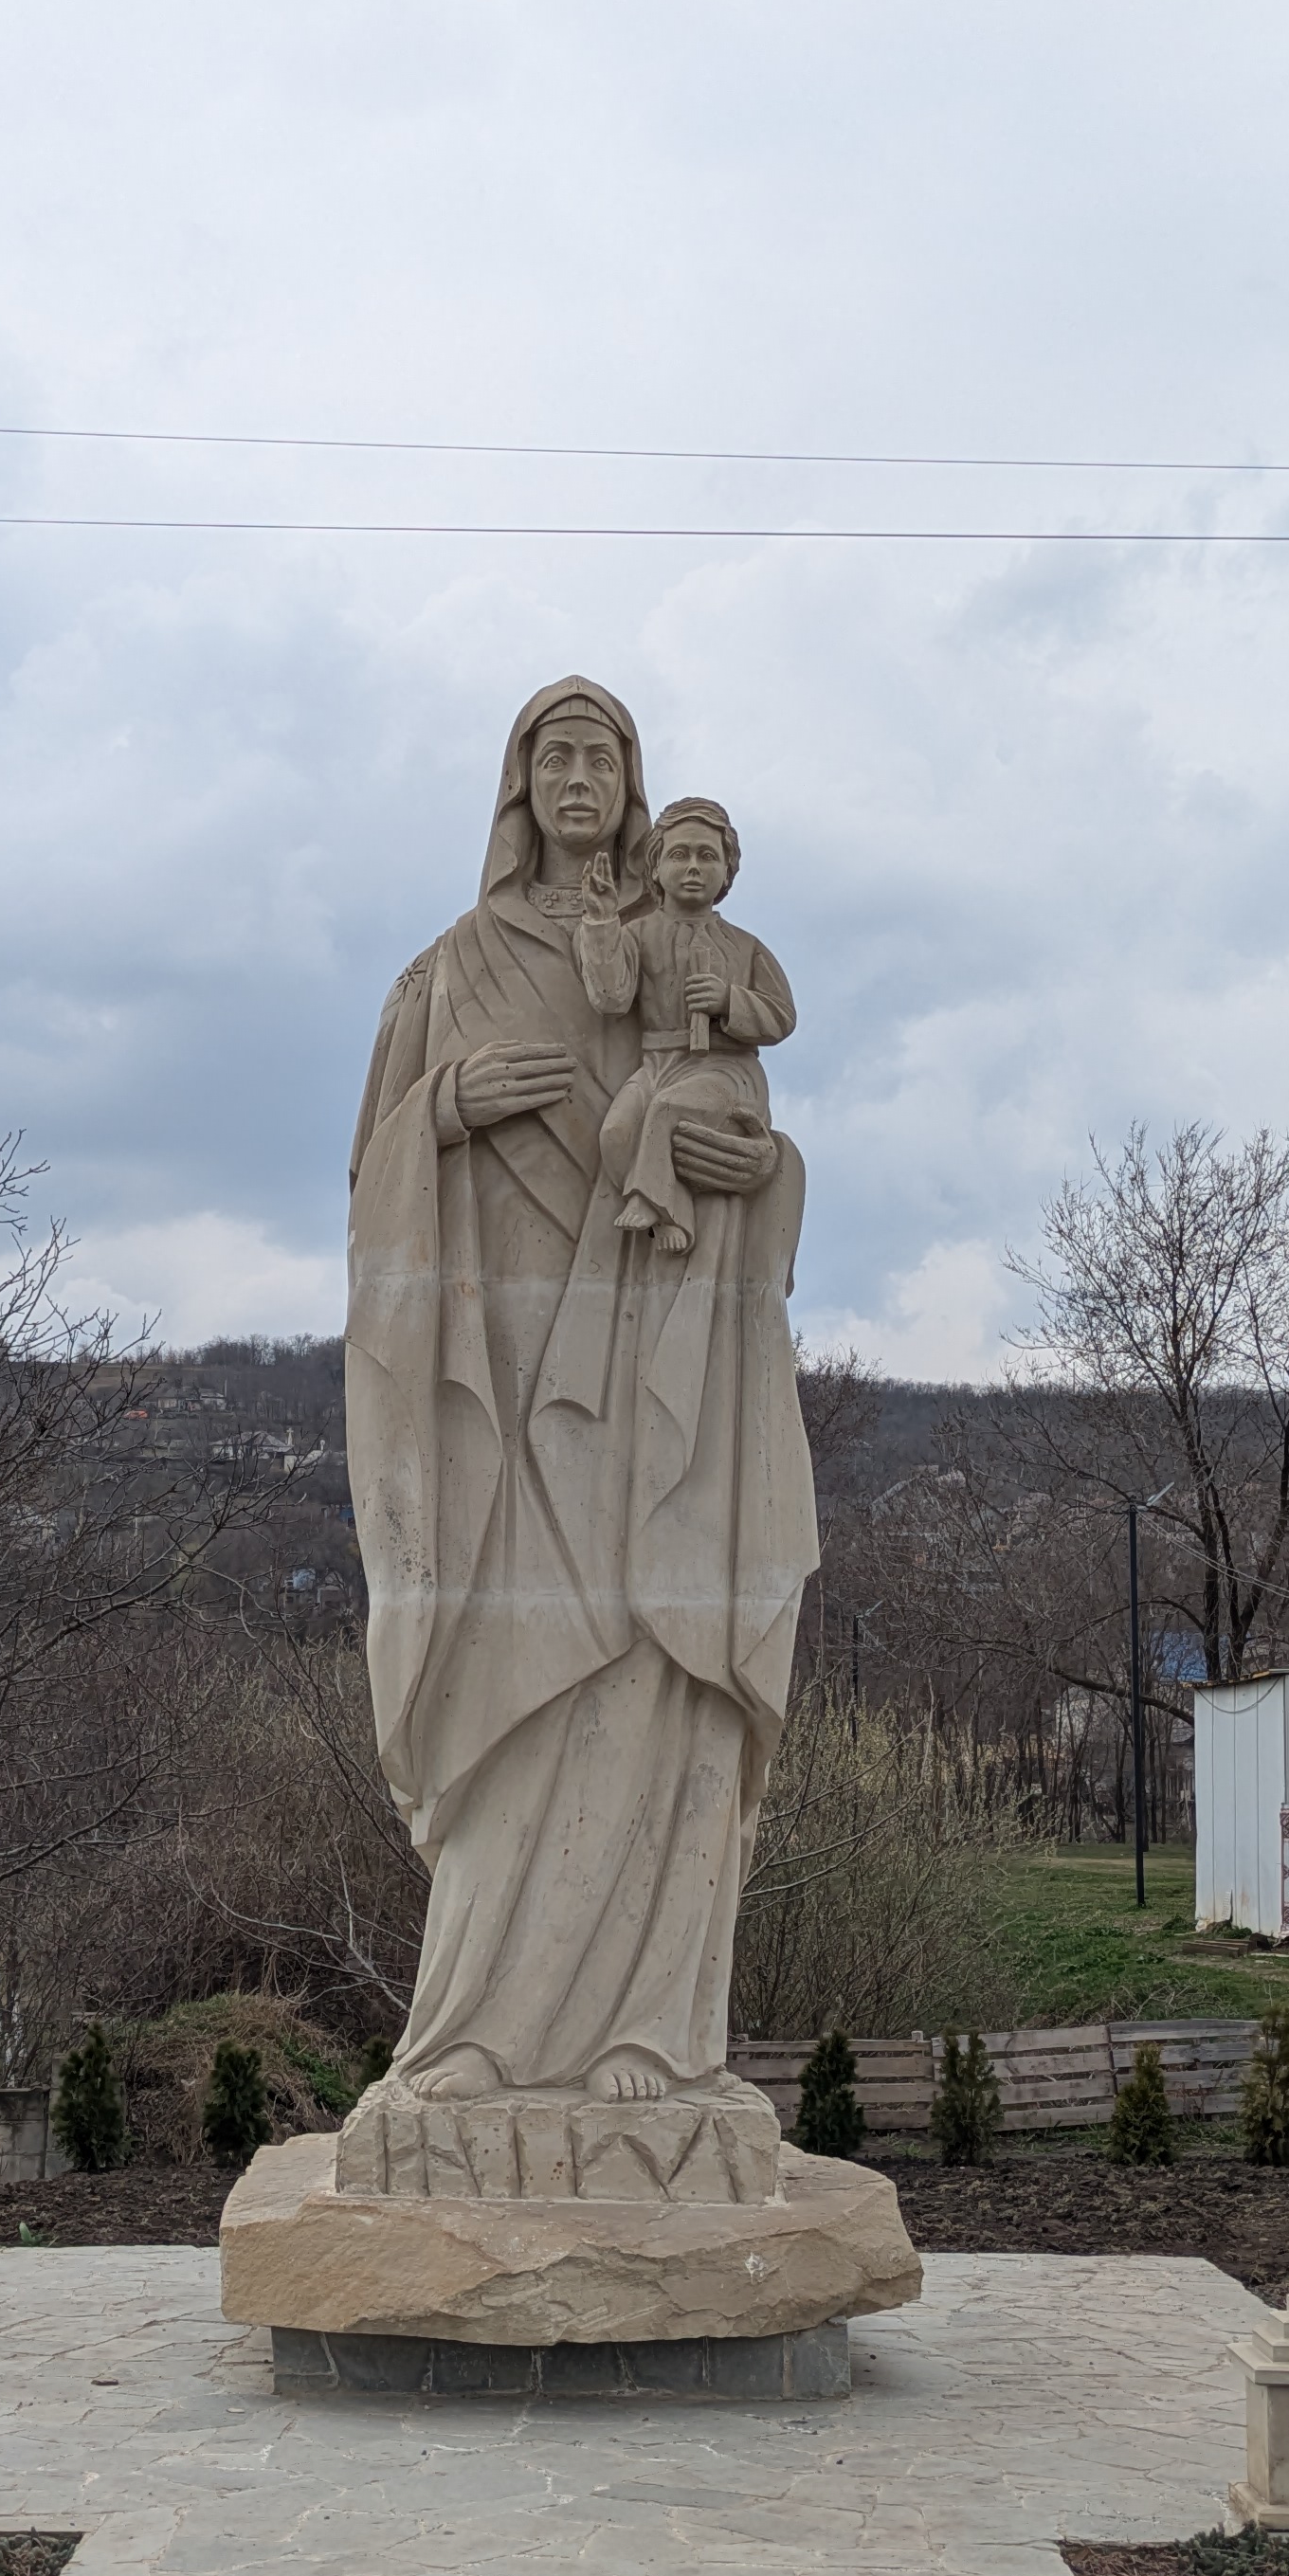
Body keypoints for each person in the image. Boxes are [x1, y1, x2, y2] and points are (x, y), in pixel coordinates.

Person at [344, 677, 816, 2106]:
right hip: (506, 1390)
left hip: (661, 1367)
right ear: (514, 786)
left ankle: (653, 2038)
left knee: (668, 1681)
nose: (576, 777)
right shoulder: (448, 971)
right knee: (520, 1685)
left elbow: (752, 1117)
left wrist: (760, 1175)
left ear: (633, 784)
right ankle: (482, 2026)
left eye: (601, 755)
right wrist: (445, 1110)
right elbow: (371, 1197)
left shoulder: (679, 957)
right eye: (551, 754)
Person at [584, 794, 795, 1257]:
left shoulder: (744, 946)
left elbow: (782, 1016)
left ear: (727, 872)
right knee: (617, 1132)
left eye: (708, 856)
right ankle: (671, 1209)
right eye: (679, 855)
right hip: (659, 1063)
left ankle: (648, 1199)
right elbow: (611, 996)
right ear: (656, 868)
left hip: (725, 1069)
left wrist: (729, 1001)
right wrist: (601, 921)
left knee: (667, 1110)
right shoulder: (637, 934)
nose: (694, 867)